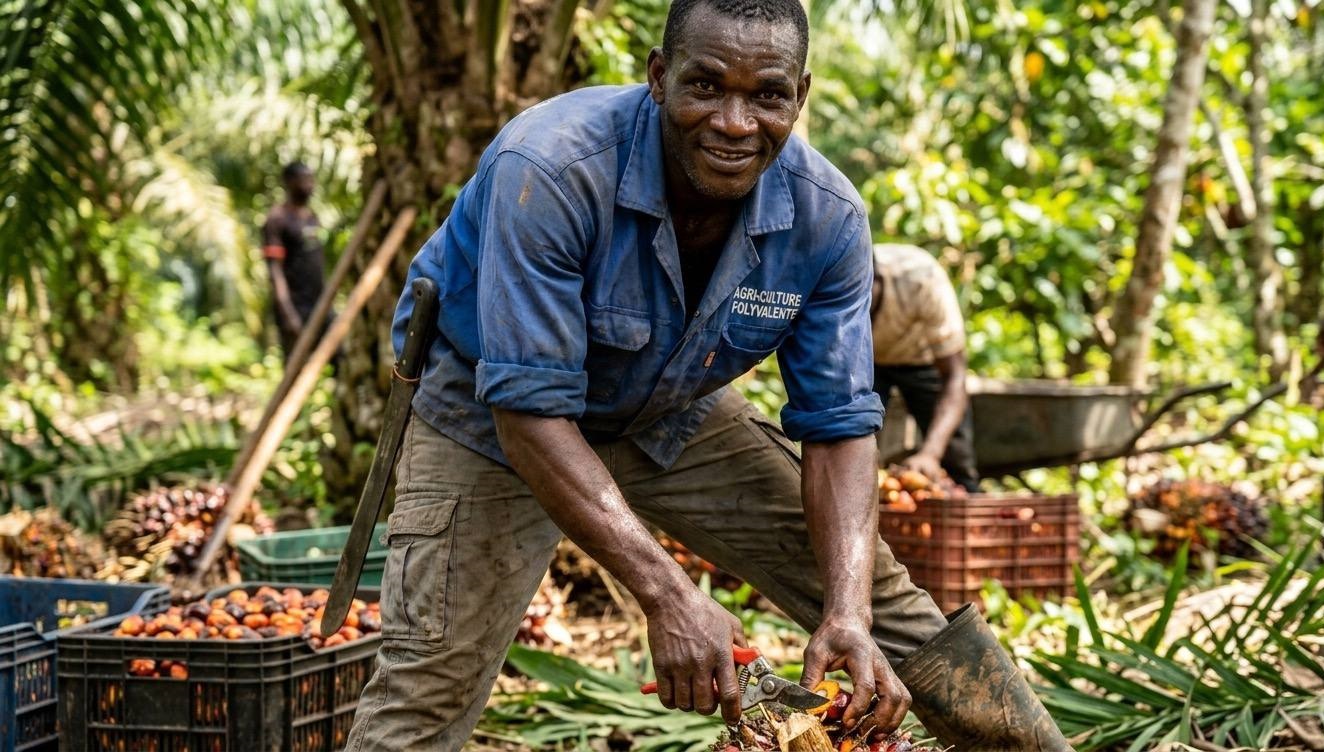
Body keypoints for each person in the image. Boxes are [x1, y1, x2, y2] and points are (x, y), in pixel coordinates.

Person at [346, 1, 1070, 750]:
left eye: (767, 96)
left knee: (884, 608)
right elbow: (530, 414)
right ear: (659, 77)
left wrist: (846, 611)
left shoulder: (827, 219)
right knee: (431, 682)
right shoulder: (551, 169)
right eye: (707, 87)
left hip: (667, 409)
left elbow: (840, 427)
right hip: (493, 418)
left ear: (800, 94)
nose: (734, 122)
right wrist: (667, 594)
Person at [871, 244, 979, 491]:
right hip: (865, 362)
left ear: (877, 280)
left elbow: (954, 376)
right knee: (850, 440)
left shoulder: (920, 279)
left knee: (955, 458)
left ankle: (966, 500)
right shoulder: (833, 277)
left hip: (922, 359)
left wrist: (930, 453)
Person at [261, 162, 324, 359]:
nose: (309, 185)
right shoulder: (277, 219)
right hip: (295, 305)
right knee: (295, 363)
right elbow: (275, 271)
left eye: (311, 179)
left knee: (337, 355)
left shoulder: (312, 217)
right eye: (303, 180)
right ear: (289, 182)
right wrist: (287, 312)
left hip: (319, 303)